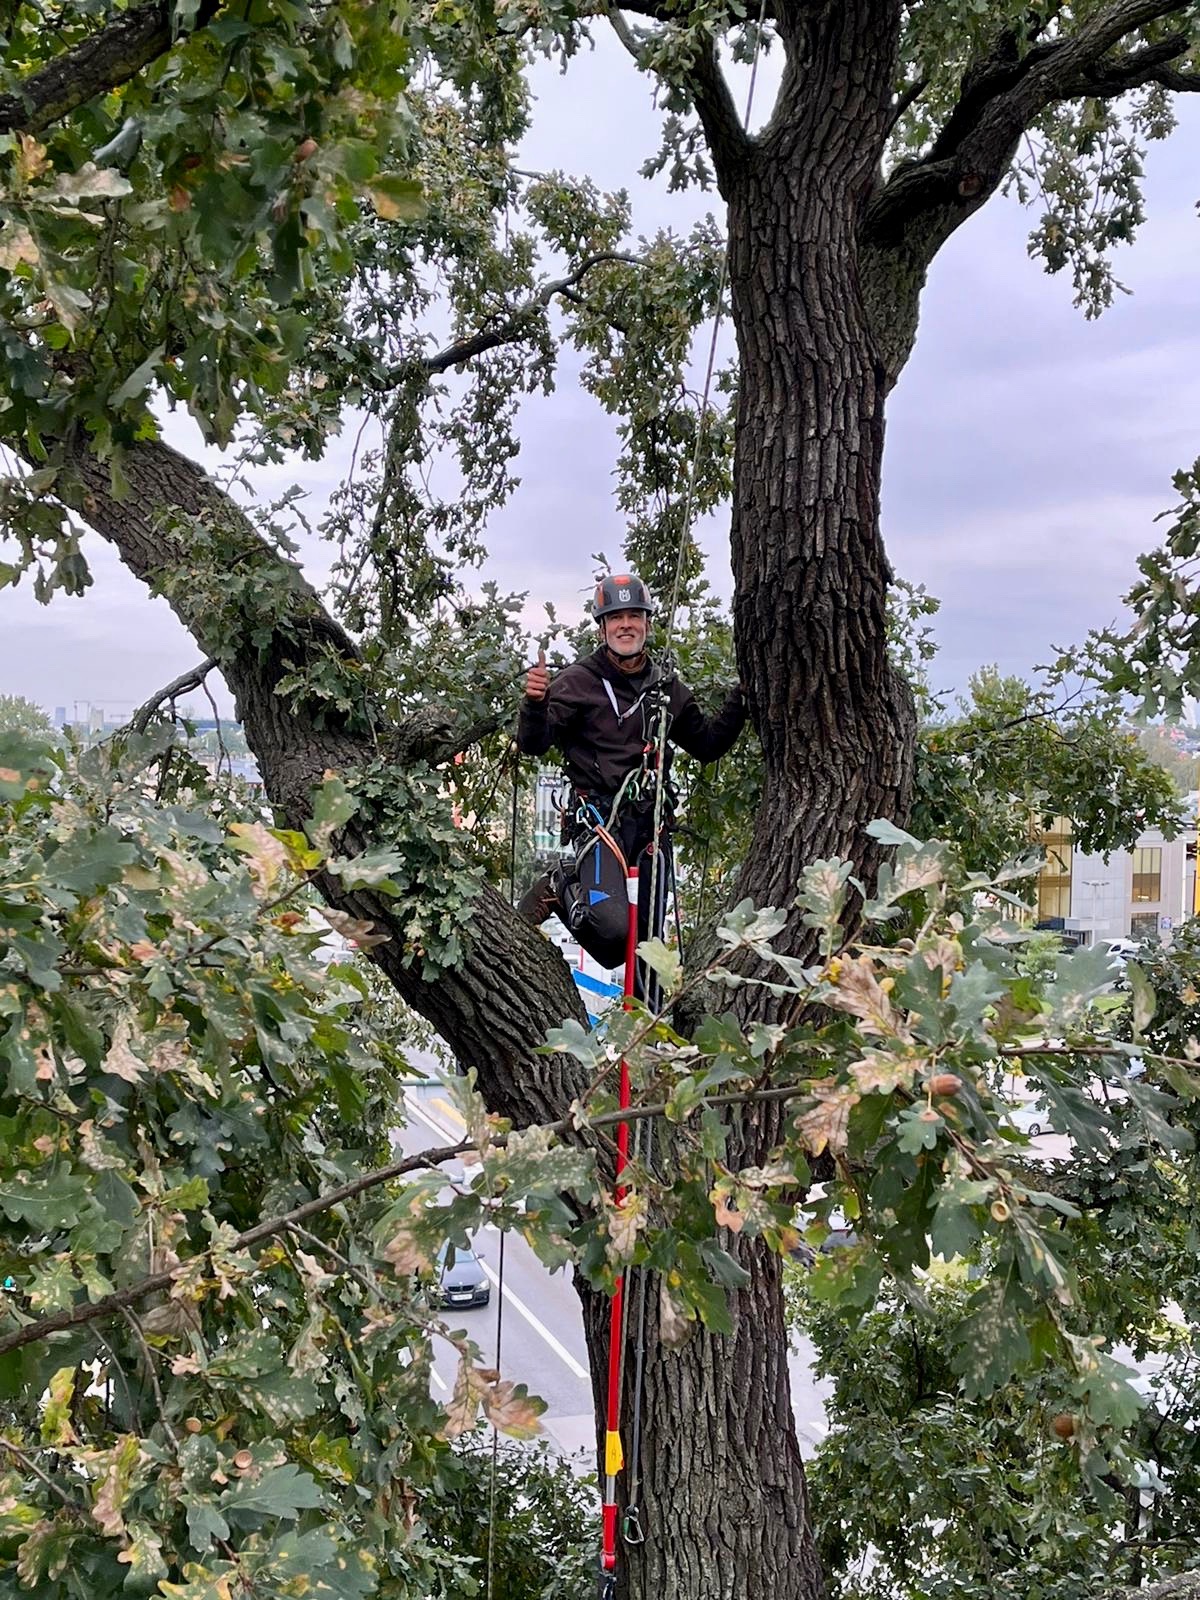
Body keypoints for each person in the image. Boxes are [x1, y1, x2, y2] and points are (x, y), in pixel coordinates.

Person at [515, 572, 746, 973]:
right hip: (601, 822)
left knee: (638, 954)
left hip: (650, 827)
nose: (626, 625)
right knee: (611, 929)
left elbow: (707, 745)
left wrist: (743, 697)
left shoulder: (665, 689)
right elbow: (535, 744)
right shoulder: (578, 683)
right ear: (603, 627)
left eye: (634, 616)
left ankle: (646, 1029)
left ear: (647, 624)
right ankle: (560, 884)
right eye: (616, 617)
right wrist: (535, 704)